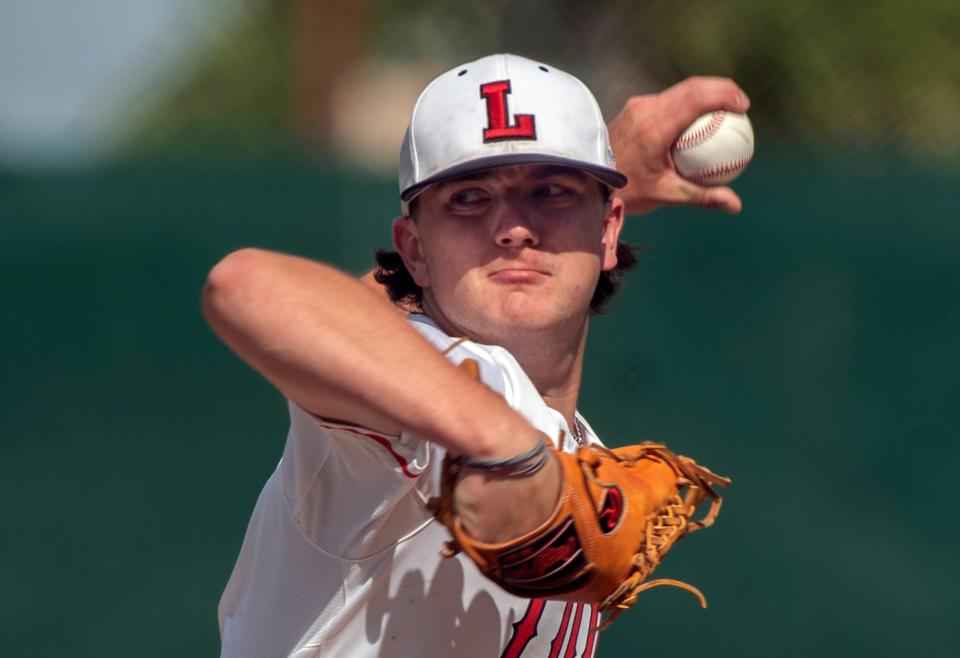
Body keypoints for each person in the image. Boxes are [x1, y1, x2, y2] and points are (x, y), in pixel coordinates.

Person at [204, 53, 748, 658]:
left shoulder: (579, 455)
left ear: (609, 229)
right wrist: (505, 447)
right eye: (468, 198)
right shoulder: (419, 398)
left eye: (551, 190)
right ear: (412, 249)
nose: (514, 227)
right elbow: (247, 285)